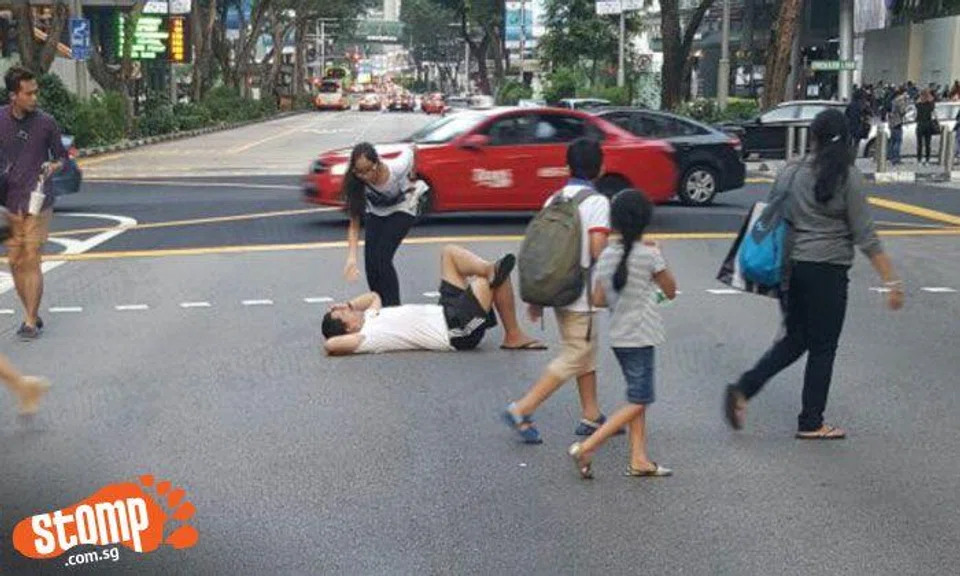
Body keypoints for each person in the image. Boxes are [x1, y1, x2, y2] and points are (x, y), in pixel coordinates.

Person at [724, 109, 904, 440]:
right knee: (823, 347)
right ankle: (811, 421)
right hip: (829, 271)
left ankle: (744, 388)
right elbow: (866, 235)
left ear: (813, 137)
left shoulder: (792, 170)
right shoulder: (848, 177)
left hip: (790, 269)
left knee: (796, 339)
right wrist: (891, 280)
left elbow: (773, 212)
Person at [502, 138, 614, 444]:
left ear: (567, 167)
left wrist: (538, 296)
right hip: (583, 293)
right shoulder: (597, 202)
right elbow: (597, 249)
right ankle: (522, 408)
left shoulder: (554, 199)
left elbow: (542, 249)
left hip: (559, 289)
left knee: (584, 351)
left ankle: (591, 415)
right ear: (601, 167)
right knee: (577, 353)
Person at [567, 190, 677, 480]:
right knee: (639, 400)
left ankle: (639, 458)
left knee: (635, 397)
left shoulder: (605, 257)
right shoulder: (650, 254)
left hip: (619, 338)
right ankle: (587, 447)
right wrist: (658, 260)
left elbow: (599, 299)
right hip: (642, 336)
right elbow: (670, 290)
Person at [321, 244, 545, 355]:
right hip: (455, 330)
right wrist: (338, 333)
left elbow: (373, 296)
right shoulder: (365, 338)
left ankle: (489, 269)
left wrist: (348, 304)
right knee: (488, 282)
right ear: (349, 328)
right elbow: (331, 345)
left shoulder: (371, 315)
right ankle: (513, 335)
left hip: (445, 310)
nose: (349, 310)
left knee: (449, 253)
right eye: (345, 314)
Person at [0, 66, 67, 340]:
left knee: (31, 257)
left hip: (39, 200)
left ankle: (29, 320)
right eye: (28, 93)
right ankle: (32, 311)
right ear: (14, 95)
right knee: (15, 261)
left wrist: (53, 167)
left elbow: (62, 157)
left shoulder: (46, 122)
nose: (34, 98)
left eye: (35, 92)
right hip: (9, 201)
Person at [341, 142, 422, 307]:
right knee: (371, 264)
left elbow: (412, 150)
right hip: (377, 211)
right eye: (359, 172)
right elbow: (354, 223)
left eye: (368, 170)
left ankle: (393, 308)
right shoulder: (355, 181)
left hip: (403, 208)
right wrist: (351, 258)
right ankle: (379, 306)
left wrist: (413, 174)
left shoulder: (397, 168)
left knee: (382, 259)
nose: (364, 176)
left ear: (377, 163)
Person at [887, 88, 908, 165]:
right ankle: (896, 159)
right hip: (897, 122)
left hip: (891, 122)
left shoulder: (892, 100)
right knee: (898, 141)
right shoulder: (900, 101)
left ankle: (890, 156)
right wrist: (905, 105)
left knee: (892, 140)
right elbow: (902, 111)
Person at [915, 89, 936, 166]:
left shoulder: (919, 105)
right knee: (928, 144)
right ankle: (927, 160)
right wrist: (930, 97)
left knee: (919, 144)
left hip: (920, 125)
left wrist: (920, 97)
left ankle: (919, 160)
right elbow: (933, 106)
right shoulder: (930, 104)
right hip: (928, 125)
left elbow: (916, 102)